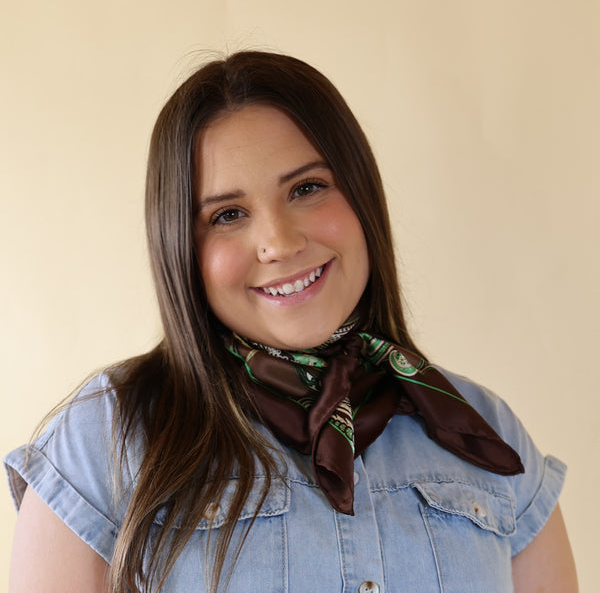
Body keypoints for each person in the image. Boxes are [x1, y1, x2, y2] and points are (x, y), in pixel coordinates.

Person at [5, 51, 577, 592]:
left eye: (307, 188)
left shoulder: (486, 434)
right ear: (180, 247)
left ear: (361, 197)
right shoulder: (103, 440)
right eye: (227, 215)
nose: (278, 243)